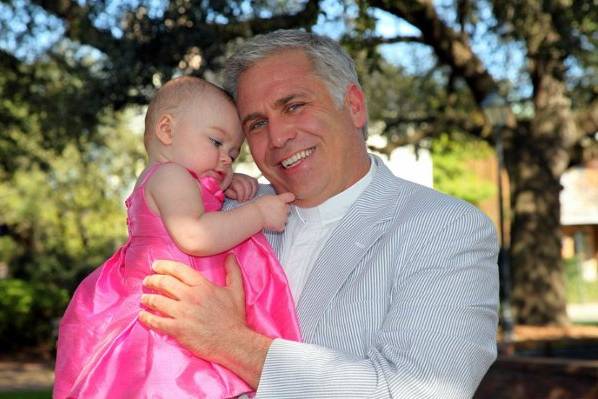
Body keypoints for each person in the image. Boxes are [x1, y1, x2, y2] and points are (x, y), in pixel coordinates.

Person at [139, 30, 500, 398]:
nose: (278, 137)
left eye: (294, 105)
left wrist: (232, 343)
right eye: (257, 124)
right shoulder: (221, 214)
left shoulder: (445, 229)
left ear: (355, 106)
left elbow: (416, 391)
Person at [53, 76, 301, 399]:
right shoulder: (171, 176)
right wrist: (258, 214)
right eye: (216, 142)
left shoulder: (176, 179)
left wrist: (226, 183)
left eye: (233, 153)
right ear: (167, 131)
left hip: (190, 309)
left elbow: (198, 203)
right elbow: (195, 235)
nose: (226, 158)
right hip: (170, 316)